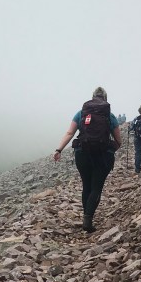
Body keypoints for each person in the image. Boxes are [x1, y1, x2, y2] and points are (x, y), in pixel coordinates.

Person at [54, 86, 122, 232]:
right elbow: (118, 141)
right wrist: (109, 151)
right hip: (103, 155)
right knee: (96, 187)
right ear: (105, 99)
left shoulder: (81, 113)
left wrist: (59, 149)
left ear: (92, 97)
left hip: (82, 153)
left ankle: (86, 216)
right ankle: (88, 218)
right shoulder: (109, 115)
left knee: (86, 185)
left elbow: (70, 133)